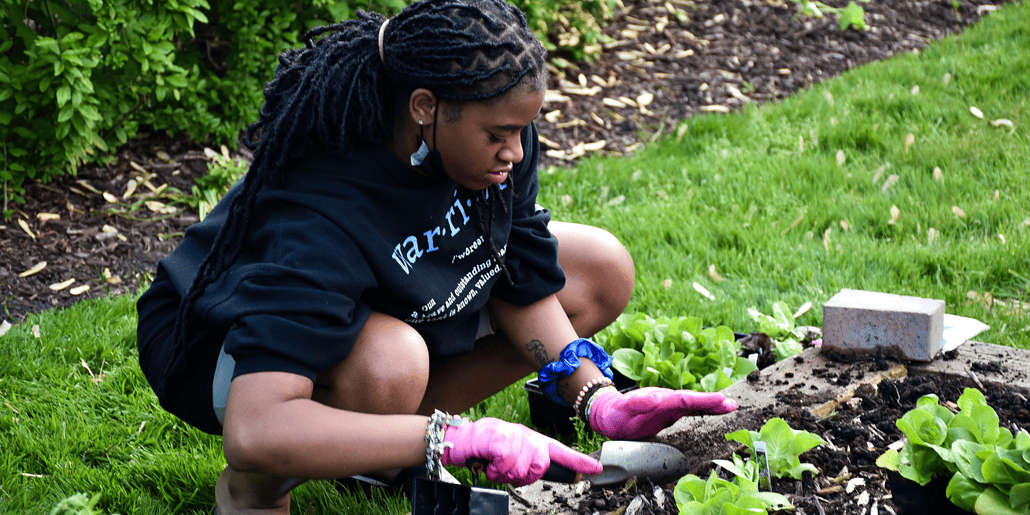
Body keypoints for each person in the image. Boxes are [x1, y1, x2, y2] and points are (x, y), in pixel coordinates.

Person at [135, 0, 737, 512]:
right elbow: (255, 428)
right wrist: (450, 439)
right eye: (498, 134)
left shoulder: (496, 140)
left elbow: (515, 270)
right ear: (425, 107)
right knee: (391, 365)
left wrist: (597, 399)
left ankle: (371, 449)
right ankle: (255, 497)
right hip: (214, 342)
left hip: (381, 293)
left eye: (522, 130)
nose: (514, 151)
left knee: (599, 269)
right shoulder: (321, 211)